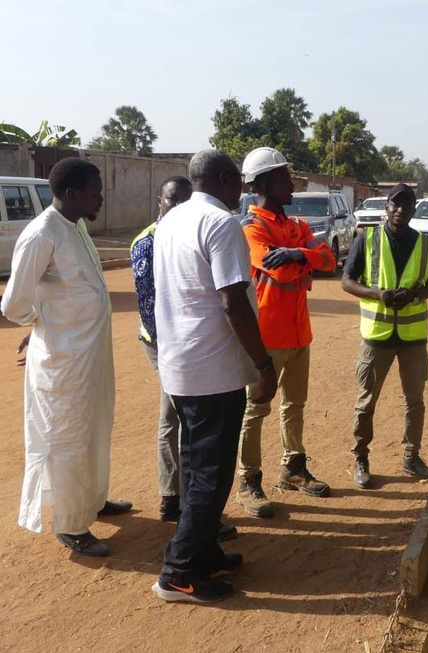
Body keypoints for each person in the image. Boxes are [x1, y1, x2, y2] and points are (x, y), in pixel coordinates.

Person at [151, 149, 277, 603]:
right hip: (213, 370)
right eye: (240, 180)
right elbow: (233, 301)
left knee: (197, 464)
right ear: (225, 179)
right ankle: (179, 573)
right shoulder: (222, 223)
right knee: (210, 475)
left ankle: (202, 550)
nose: (244, 188)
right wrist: (263, 364)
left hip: (182, 365)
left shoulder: (172, 220)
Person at [1, 157, 131, 557]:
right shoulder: (42, 233)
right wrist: (43, 327)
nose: (101, 199)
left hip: (90, 357)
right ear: (72, 194)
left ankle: (93, 499)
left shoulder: (75, 227)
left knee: (95, 428)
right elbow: (14, 303)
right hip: (63, 363)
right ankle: (72, 525)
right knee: (70, 439)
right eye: (95, 193)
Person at [234, 147, 336, 518]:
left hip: (298, 333)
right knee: (256, 409)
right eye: (283, 178)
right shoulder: (252, 227)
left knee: (295, 405)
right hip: (267, 336)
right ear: (263, 183)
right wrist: (302, 259)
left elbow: (328, 259)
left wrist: (296, 254)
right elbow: (276, 271)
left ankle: (292, 468)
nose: (292, 184)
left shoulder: (295, 227)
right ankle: (249, 480)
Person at [342, 183, 428, 489]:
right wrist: (378, 294)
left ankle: (411, 457)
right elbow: (347, 281)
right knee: (366, 402)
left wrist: (413, 295)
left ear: (414, 209)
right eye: (394, 205)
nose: (400, 210)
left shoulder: (426, 243)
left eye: (406, 205)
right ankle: (361, 457)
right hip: (377, 335)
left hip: (413, 337)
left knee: (415, 402)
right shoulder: (367, 238)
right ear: (386, 208)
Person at [131, 176, 193, 521]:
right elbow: (148, 305)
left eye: (185, 202)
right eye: (172, 201)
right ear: (159, 201)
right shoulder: (148, 242)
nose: (178, 208)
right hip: (164, 344)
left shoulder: (187, 236)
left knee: (175, 416)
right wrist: (174, 351)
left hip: (186, 342)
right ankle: (176, 498)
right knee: (177, 416)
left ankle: (175, 496)